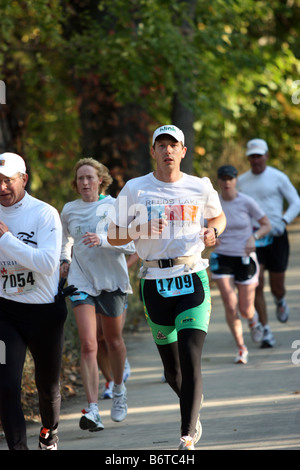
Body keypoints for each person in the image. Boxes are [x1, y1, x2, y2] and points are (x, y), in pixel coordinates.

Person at [107, 124, 226, 450]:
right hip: (155, 283)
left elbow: (218, 218)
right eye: (162, 145)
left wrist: (212, 233)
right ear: (154, 151)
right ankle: (192, 406)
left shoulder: (199, 186)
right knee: (173, 371)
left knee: (191, 357)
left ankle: (186, 436)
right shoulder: (134, 189)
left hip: (191, 276)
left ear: (183, 151)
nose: (168, 150)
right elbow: (113, 235)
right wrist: (139, 227)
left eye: (174, 145)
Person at [60, 158, 135, 432]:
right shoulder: (69, 210)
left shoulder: (114, 206)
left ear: (100, 180)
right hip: (81, 281)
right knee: (89, 344)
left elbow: (131, 243)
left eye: (90, 177)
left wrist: (102, 240)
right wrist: (63, 260)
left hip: (112, 280)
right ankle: (92, 409)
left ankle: (118, 388)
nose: (85, 183)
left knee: (114, 342)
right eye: (80, 178)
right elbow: (65, 240)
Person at [0, 152, 68, 450]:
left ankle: (48, 432)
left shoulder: (44, 214)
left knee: (48, 387)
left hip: (44, 312)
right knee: (5, 385)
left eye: (7, 181)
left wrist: (6, 240)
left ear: (23, 179)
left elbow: (47, 263)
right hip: (5, 311)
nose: (1, 187)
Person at [238, 139, 300, 347]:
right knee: (256, 284)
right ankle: (266, 330)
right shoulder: (241, 181)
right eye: (252, 156)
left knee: (276, 286)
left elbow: (296, 202)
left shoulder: (278, 177)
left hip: (276, 237)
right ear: (248, 158)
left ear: (266, 156)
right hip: (253, 238)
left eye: (259, 155)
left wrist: (284, 220)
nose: (256, 160)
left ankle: (280, 300)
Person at [210, 165, 271, 364]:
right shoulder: (212, 203)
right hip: (222, 257)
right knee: (230, 303)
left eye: (230, 178)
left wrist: (254, 237)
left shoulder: (246, 201)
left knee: (245, 309)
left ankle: (253, 321)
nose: (227, 182)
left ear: (236, 180)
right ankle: (241, 347)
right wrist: (210, 236)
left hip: (244, 257)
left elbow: (266, 224)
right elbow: (202, 225)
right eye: (223, 178)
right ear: (218, 180)